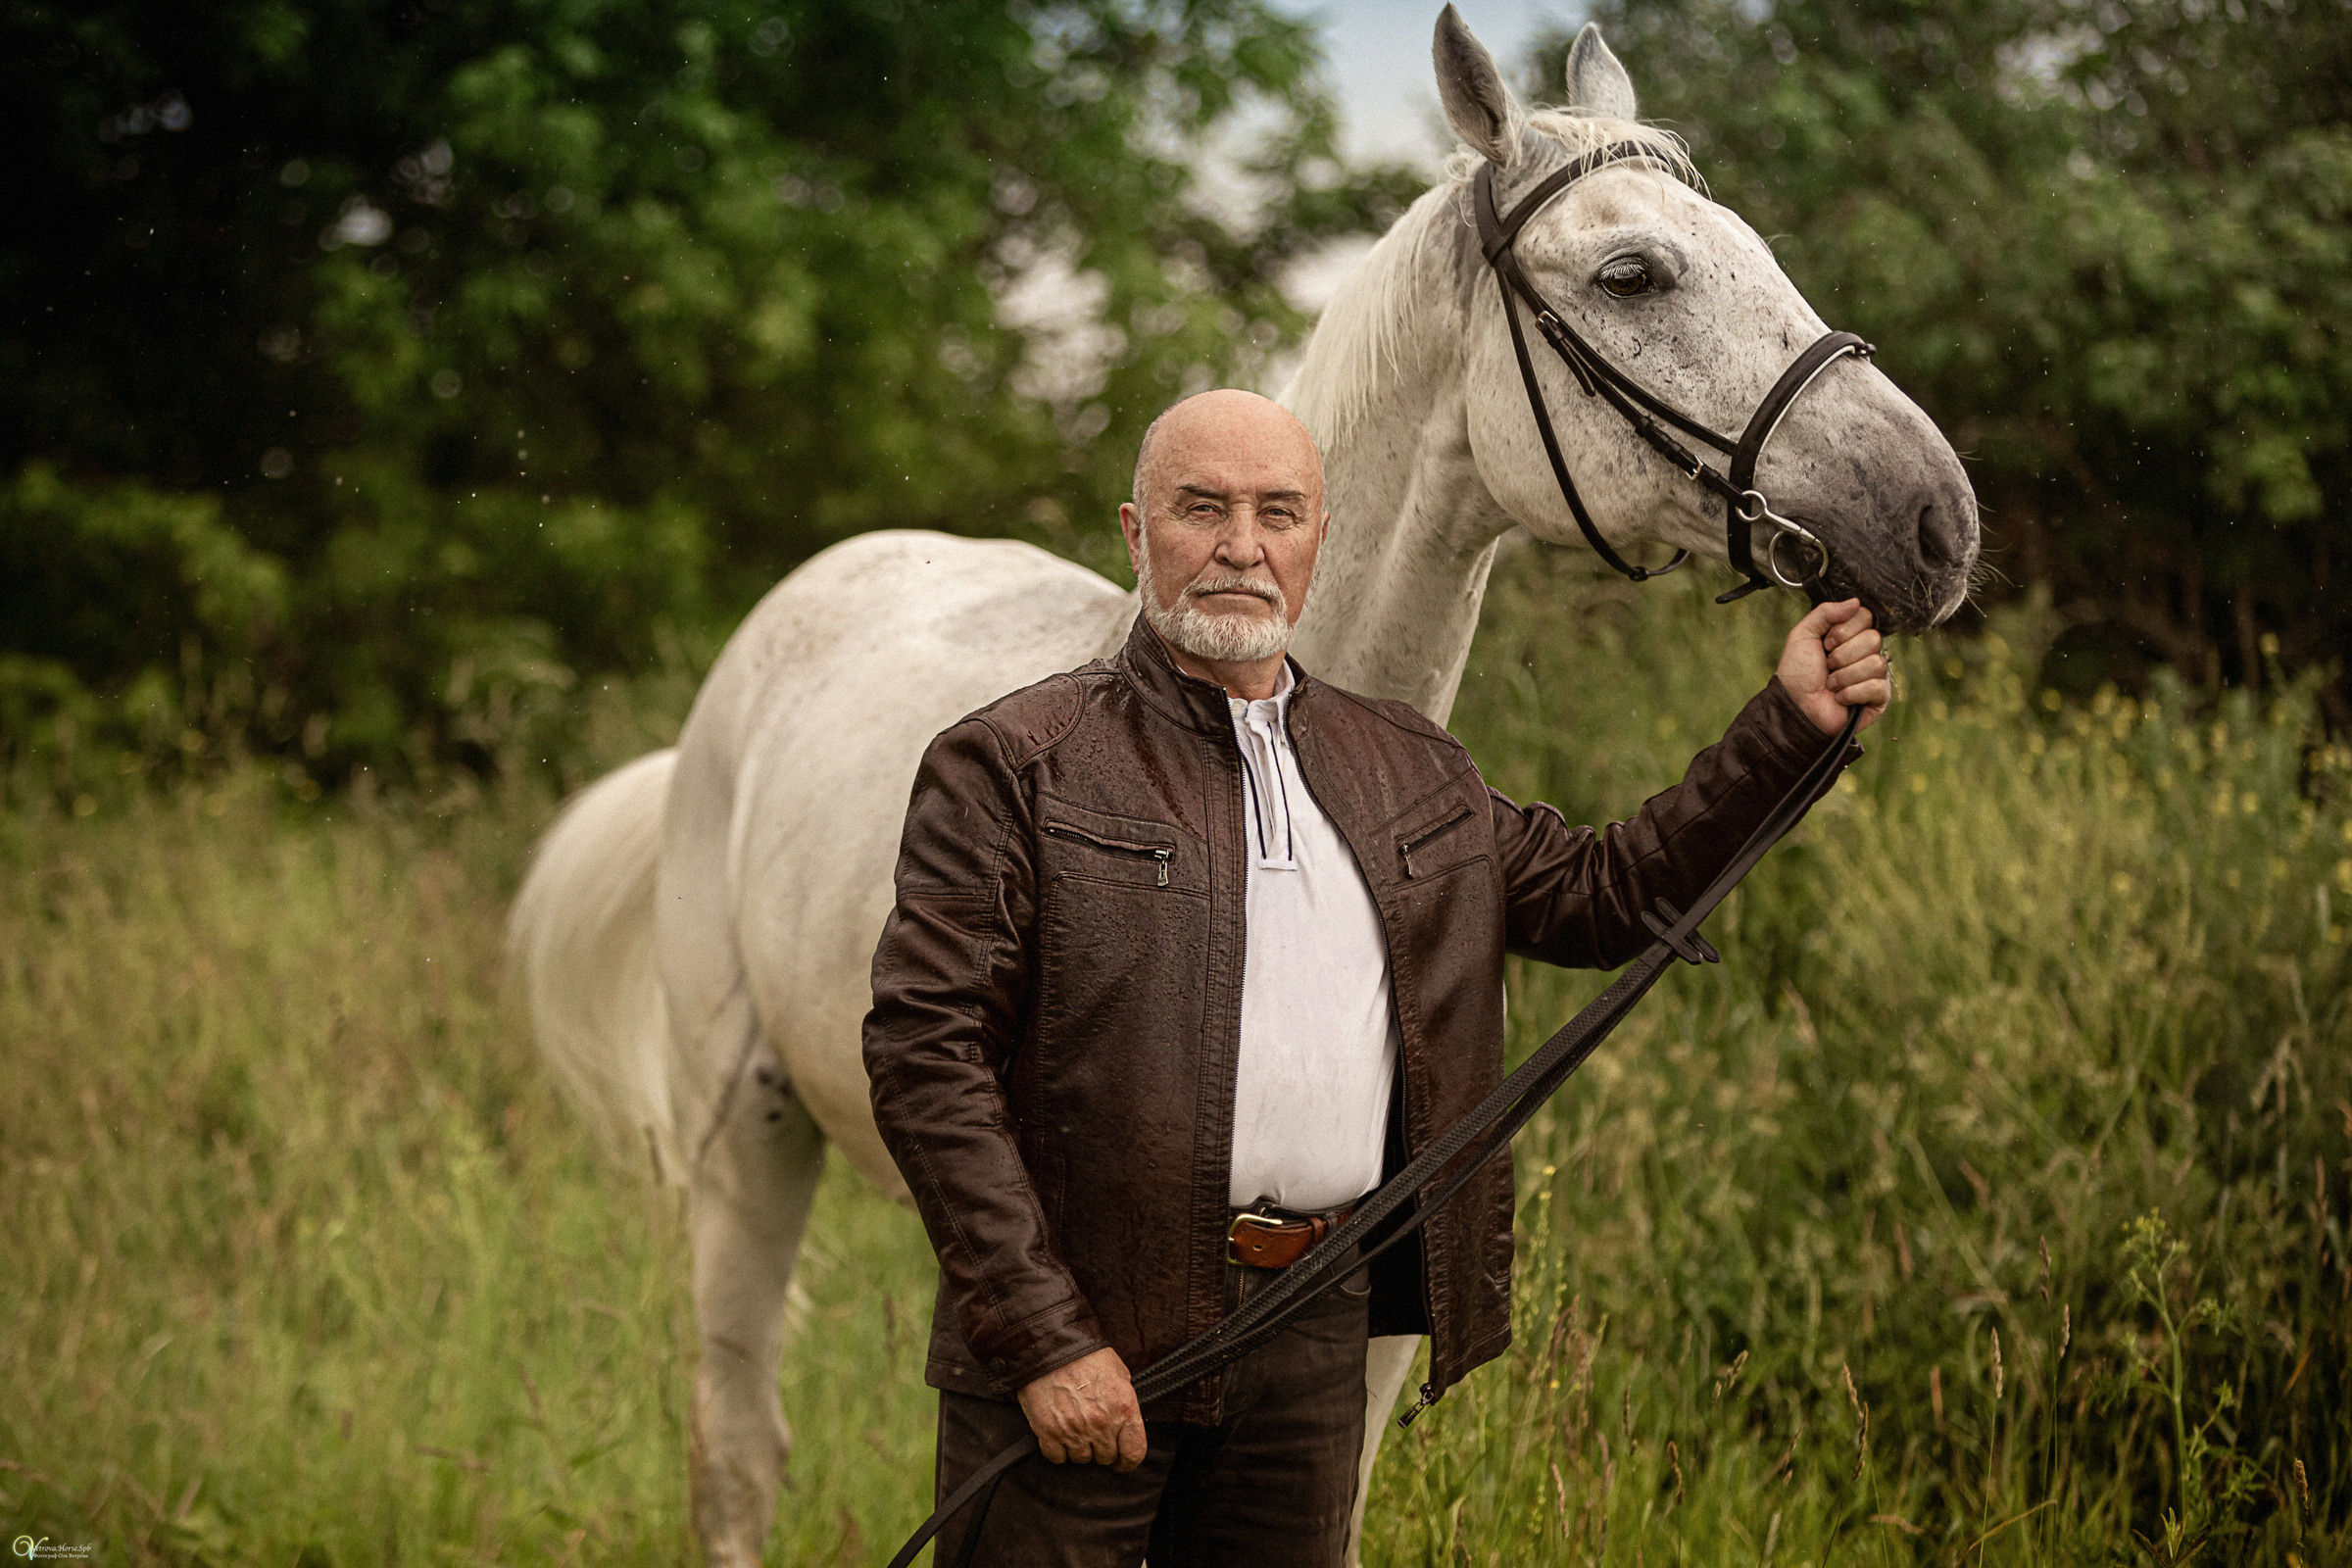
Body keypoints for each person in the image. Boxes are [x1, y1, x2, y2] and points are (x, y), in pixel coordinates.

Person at [862, 389, 1888, 1566]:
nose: (1241, 545)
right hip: (1094, 1333)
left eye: (1276, 512)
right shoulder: (1014, 764)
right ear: (1138, 538)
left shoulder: (1407, 767)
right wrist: (1043, 1340)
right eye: (1201, 509)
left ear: (1318, 542)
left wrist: (1789, 726)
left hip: (1310, 1335)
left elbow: (1609, 892)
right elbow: (923, 1059)